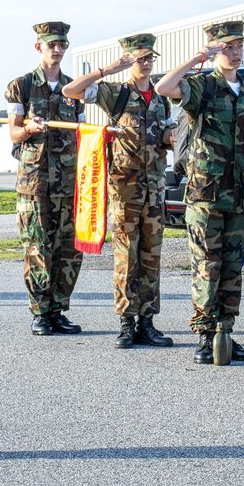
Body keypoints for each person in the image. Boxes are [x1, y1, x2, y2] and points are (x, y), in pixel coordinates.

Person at [154, 20, 244, 364]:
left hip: (241, 195)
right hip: (206, 195)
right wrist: (197, 58)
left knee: (233, 268)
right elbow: (164, 87)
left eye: (239, 47)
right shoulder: (202, 87)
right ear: (216, 49)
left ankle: (225, 333)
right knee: (207, 267)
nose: (235, 53)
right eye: (228, 47)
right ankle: (205, 337)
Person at [64, 33, 175, 350]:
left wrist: (170, 137)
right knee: (127, 258)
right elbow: (70, 91)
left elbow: (166, 132)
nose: (146, 63)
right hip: (125, 190)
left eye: (149, 57)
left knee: (151, 258)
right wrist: (106, 70)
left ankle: (147, 323)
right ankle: (126, 323)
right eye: (140, 58)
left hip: (154, 189)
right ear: (128, 60)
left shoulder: (160, 98)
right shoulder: (116, 93)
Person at [4, 21, 84, 337]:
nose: (57, 49)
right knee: (38, 247)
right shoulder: (21, 86)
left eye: (62, 44)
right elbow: (14, 131)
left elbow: (81, 135)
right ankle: (39, 311)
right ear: (39, 47)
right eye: (51, 44)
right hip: (35, 183)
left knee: (67, 250)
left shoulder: (72, 89)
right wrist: (29, 130)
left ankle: (57, 310)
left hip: (68, 181)